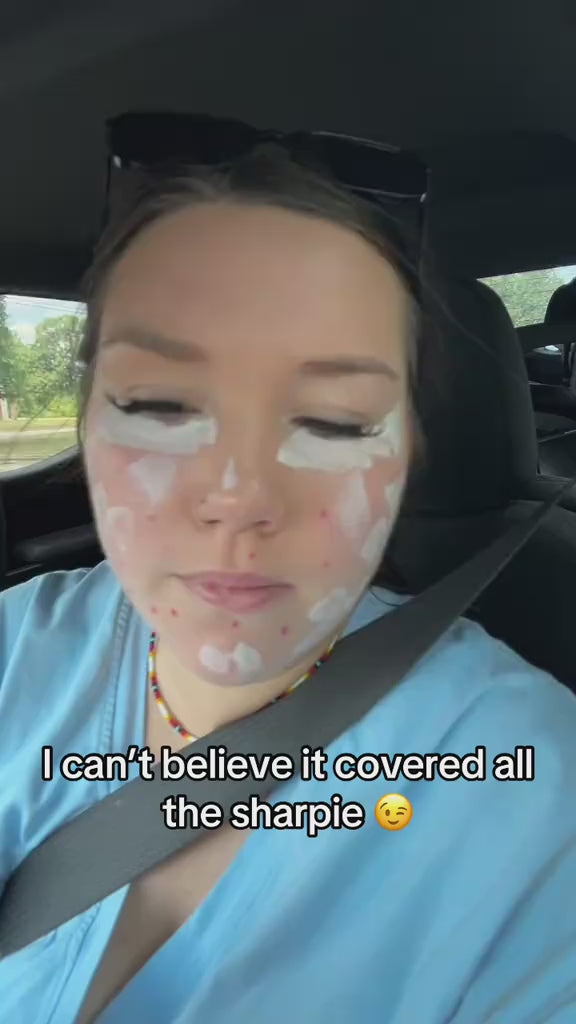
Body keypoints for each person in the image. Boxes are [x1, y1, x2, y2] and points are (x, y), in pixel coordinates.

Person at [1, 142, 575, 1024]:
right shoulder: (16, 647)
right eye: (158, 405)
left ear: (410, 449)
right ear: (86, 420)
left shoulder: (533, 790)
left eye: (333, 421)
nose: (238, 497)